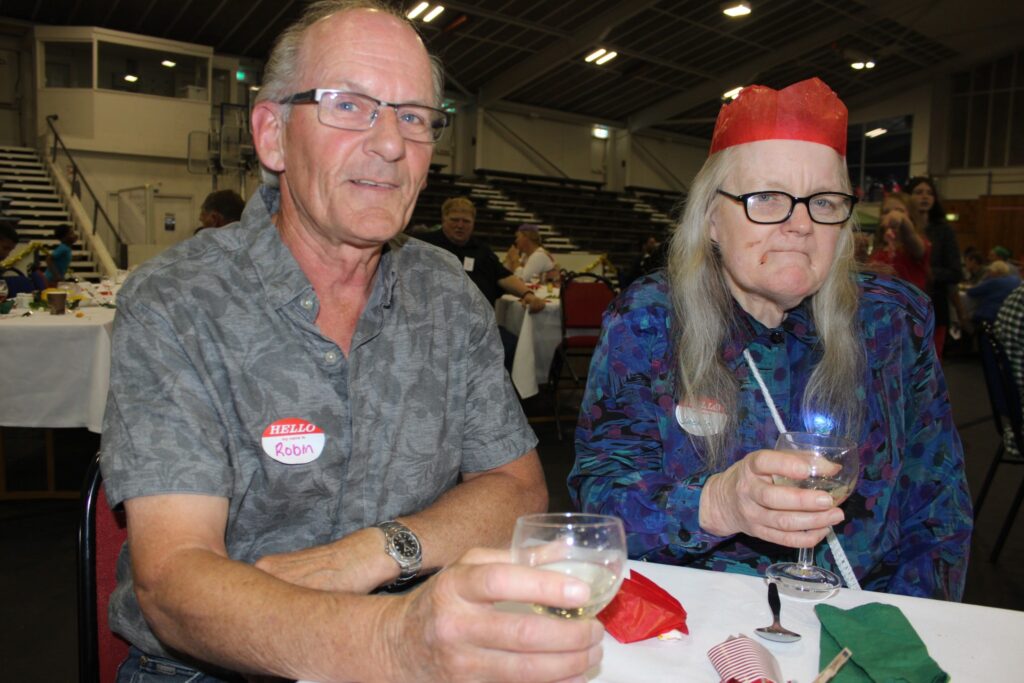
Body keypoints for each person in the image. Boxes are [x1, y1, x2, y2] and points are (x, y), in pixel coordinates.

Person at [100, 3, 603, 681]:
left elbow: (515, 487)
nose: (392, 143)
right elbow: (174, 583)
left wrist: (380, 550)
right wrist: (395, 643)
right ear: (272, 133)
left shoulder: (448, 297)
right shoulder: (177, 302)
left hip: (419, 629)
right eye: (349, 105)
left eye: (414, 116)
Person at [569, 77, 972, 601]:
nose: (800, 224)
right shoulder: (649, 321)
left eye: (823, 202)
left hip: (866, 612)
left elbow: (939, 507)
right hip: (698, 616)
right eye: (766, 198)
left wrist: (910, 629)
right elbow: (598, 503)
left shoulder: (893, 322)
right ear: (712, 219)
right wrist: (716, 505)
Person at [418, 197, 548, 370]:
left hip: (478, 327)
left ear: (473, 224)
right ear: (443, 220)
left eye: (466, 221)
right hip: (436, 326)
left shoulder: (481, 250)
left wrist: (527, 294)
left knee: (511, 346)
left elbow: (503, 276)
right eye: (454, 220)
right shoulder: (424, 245)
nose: (460, 225)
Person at [907, 176, 962, 357]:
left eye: (929, 193)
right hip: (904, 305)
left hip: (934, 305)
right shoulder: (902, 228)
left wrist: (928, 272)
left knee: (930, 365)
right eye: (919, 192)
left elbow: (955, 272)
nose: (925, 197)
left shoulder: (944, 231)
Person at [867, 191, 930, 291]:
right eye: (886, 212)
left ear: (911, 216)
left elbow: (910, 235)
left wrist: (902, 219)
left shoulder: (917, 244)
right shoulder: (880, 248)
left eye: (899, 210)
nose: (892, 214)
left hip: (908, 304)